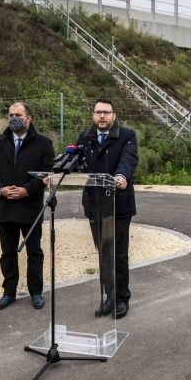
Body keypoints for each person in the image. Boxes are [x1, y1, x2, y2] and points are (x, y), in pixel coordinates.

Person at [0, 102, 54, 310]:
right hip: (5, 206)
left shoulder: (43, 143)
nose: (14, 118)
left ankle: (36, 292)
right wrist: (1, 189)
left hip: (30, 207)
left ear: (28, 118)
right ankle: (9, 292)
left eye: (19, 114)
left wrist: (27, 190)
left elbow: (47, 171)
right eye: (11, 115)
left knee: (34, 252)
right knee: (7, 252)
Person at [76, 98, 138, 319]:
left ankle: (122, 298)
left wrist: (121, 176)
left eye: (106, 112)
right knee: (103, 255)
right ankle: (109, 298)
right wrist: (61, 169)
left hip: (118, 205)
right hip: (95, 205)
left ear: (114, 115)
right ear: (93, 115)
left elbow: (128, 160)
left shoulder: (127, 136)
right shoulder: (85, 137)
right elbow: (76, 160)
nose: (101, 116)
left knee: (118, 255)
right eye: (98, 112)